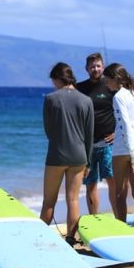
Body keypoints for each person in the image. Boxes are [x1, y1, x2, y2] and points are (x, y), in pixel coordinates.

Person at [40, 62, 93, 243]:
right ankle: (71, 238)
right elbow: (89, 134)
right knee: (73, 200)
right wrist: (89, 162)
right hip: (79, 156)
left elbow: (48, 130)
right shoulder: (86, 100)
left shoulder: (50, 99)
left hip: (57, 154)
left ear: (57, 79)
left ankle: (42, 237)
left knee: (49, 201)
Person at [102, 63, 134, 230]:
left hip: (123, 150)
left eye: (107, 80)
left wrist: (132, 154)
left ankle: (121, 228)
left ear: (115, 79)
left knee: (119, 193)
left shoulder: (119, 97)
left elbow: (124, 126)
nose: (105, 83)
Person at [76, 53, 116, 214]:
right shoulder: (80, 88)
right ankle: (94, 218)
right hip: (87, 145)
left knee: (112, 181)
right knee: (90, 183)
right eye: (92, 66)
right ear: (87, 69)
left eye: (98, 66)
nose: (95, 69)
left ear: (103, 67)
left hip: (108, 143)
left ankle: (119, 216)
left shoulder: (110, 86)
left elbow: (121, 112)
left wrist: (116, 133)